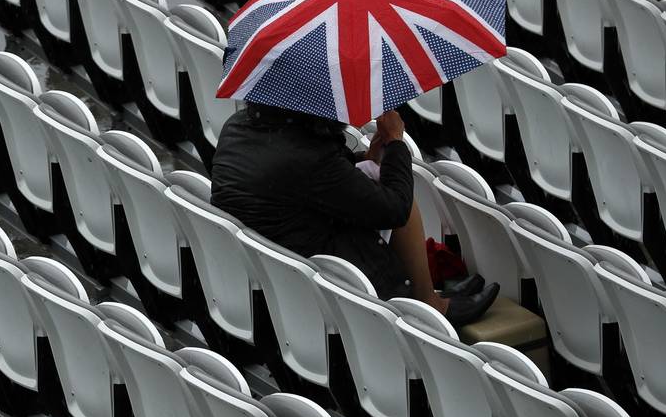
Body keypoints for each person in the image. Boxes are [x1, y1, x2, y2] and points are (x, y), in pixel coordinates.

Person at [210, 102, 499, 326]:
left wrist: (365, 160)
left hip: (264, 270)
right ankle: (430, 302)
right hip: (316, 275)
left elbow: (303, 180)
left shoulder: (238, 127)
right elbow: (394, 208)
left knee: (372, 174)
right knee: (395, 192)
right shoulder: (306, 156)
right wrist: (397, 143)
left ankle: (429, 295)